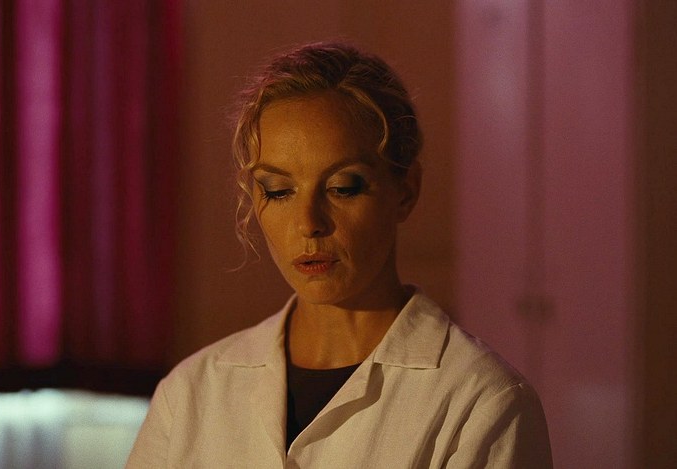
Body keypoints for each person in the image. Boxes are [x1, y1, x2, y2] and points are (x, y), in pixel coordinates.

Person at [126, 42, 552, 468]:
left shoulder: (482, 403)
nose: (308, 223)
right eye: (279, 191)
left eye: (343, 188)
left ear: (406, 190)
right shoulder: (191, 394)